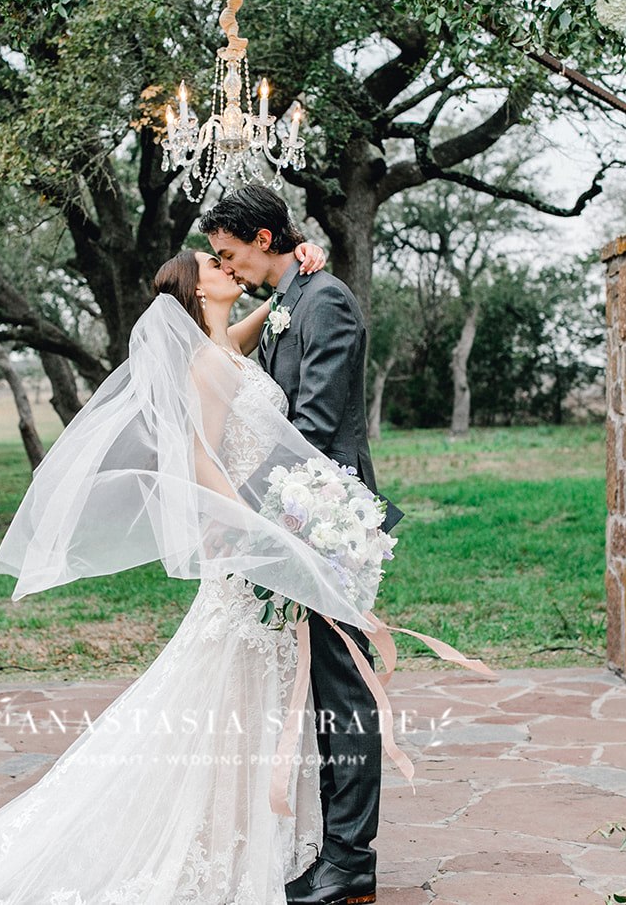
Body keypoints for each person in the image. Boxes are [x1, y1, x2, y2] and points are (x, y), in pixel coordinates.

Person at [0, 243, 376, 905]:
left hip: (259, 555)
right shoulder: (207, 365)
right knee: (218, 704)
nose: (225, 267)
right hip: (246, 554)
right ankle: (211, 848)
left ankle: (248, 842)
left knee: (242, 705)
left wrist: (299, 267)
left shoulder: (225, 345)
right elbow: (203, 464)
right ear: (196, 293)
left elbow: (263, 316)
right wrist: (259, 530)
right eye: (213, 265)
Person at [201, 185, 396, 905]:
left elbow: (313, 428)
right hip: (299, 520)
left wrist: (239, 510)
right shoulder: (292, 296)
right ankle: (337, 853)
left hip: (330, 520)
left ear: (262, 235)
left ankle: (351, 859)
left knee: (346, 688)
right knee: (322, 689)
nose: (229, 265)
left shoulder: (326, 301)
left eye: (230, 253)